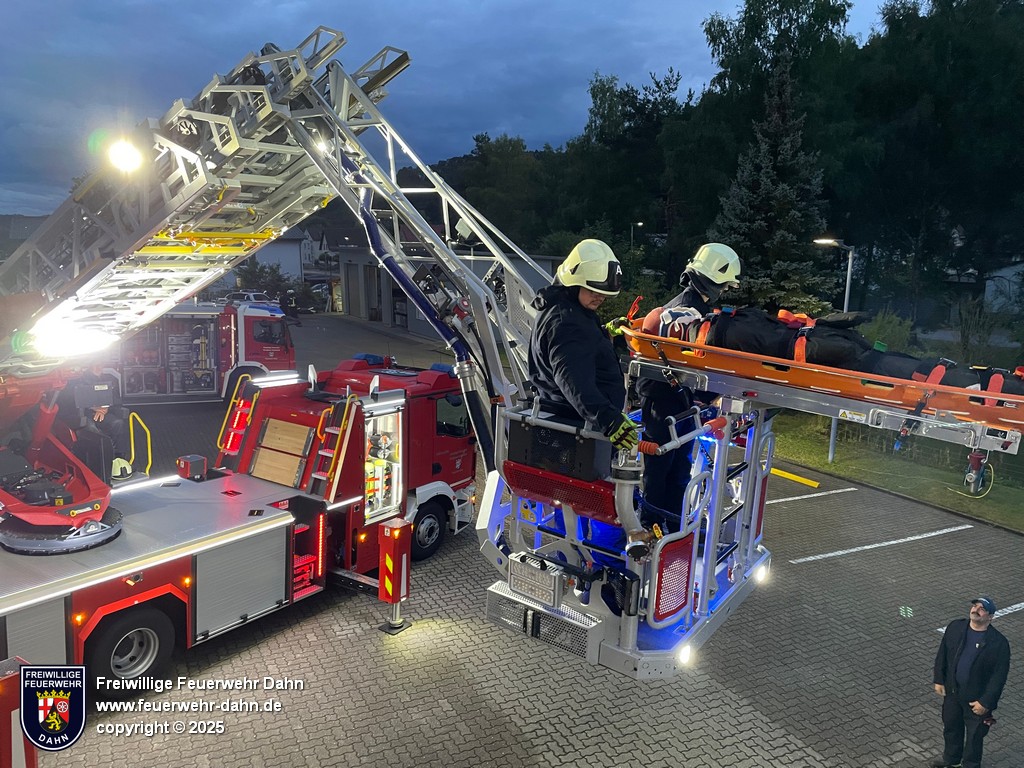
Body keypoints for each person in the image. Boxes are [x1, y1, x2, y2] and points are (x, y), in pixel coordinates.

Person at [635, 243, 741, 526]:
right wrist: (712, 394)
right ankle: (654, 525)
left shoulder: (694, 307)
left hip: (675, 401)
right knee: (663, 468)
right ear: (715, 281)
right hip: (663, 400)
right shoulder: (687, 312)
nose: (725, 291)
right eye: (725, 285)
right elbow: (691, 362)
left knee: (678, 466)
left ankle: (672, 524)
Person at [528, 239, 636, 452]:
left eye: (604, 293)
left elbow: (577, 350)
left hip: (572, 423)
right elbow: (572, 380)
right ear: (574, 283)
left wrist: (604, 332)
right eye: (594, 290)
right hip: (577, 432)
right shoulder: (567, 323)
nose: (600, 297)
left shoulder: (567, 308)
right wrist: (608, 419)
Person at [931, 596, 1011, 768]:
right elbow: (942, 654)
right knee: (951, 728)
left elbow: (998, 677)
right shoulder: (955, 627)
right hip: (953, 693)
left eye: (982, 609)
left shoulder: (999, 643)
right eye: (975, 606)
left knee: (975, 737)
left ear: (990, 617)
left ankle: (971, 765)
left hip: (977, 701)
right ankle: (951, 761)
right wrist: (939, 679)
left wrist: (986, 702)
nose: (976, 610)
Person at [58, 363, 134, 480]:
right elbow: (71, 401)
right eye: (96, 365)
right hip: (84, 414)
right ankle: (99, 463)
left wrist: (105, 408)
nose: (99, 367)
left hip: (104, 413)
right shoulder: (78, 381)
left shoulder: (109, 380)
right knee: (92, 430)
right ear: (90, 366)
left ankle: (119, 458)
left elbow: (115, 399)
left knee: (117, 423)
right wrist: (93, 408)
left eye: (100, 365)